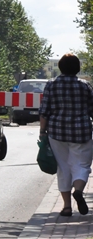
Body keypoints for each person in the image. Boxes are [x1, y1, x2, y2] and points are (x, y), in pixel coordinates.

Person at [39, 53, 93, 216]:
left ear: (61, 67)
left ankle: (67, 207)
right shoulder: (85, 86)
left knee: (63, 168)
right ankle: (78, 190)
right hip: (82, 132)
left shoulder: (51, 85)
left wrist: (42, 132)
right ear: (77, 68)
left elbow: (44, 112)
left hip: (57, 132)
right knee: (81, 165)